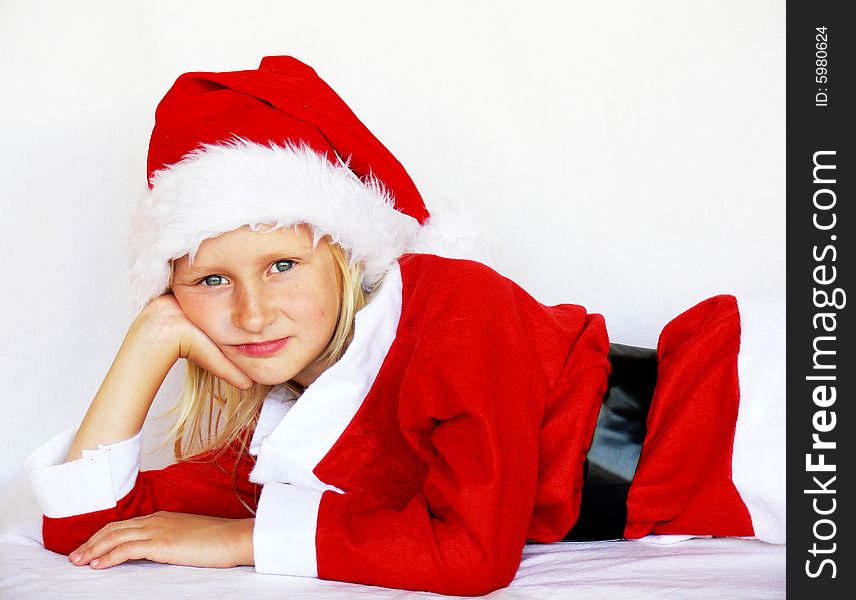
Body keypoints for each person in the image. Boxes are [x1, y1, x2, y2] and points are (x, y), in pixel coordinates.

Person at [25, 56, 755, 596]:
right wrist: (149, 339)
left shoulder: (453, 307)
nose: (251, 313)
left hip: (751, 425)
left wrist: (245, 540)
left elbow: (476, 557)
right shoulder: (281, 418)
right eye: (211, 280)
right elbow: (83, 532)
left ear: (343, 256)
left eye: (282, 264)